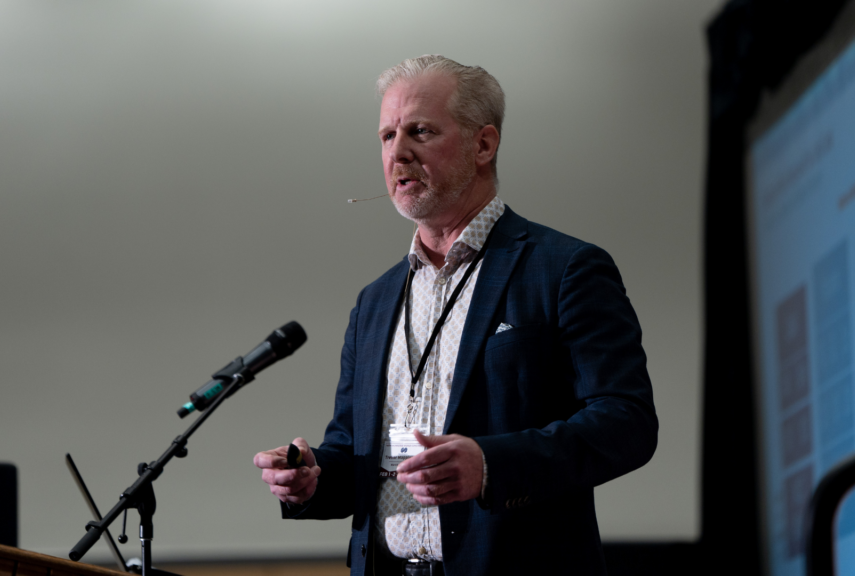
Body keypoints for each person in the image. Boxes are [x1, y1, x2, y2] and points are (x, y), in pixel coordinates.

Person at [253, 55, 658, 576]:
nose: (398, 152)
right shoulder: (375, 303)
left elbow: (627, 424)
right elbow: (354, 454)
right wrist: (313, 479)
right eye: (386, 136)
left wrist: (490, 466)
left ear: (483, 144)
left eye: (419, 131)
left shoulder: (564, 269)